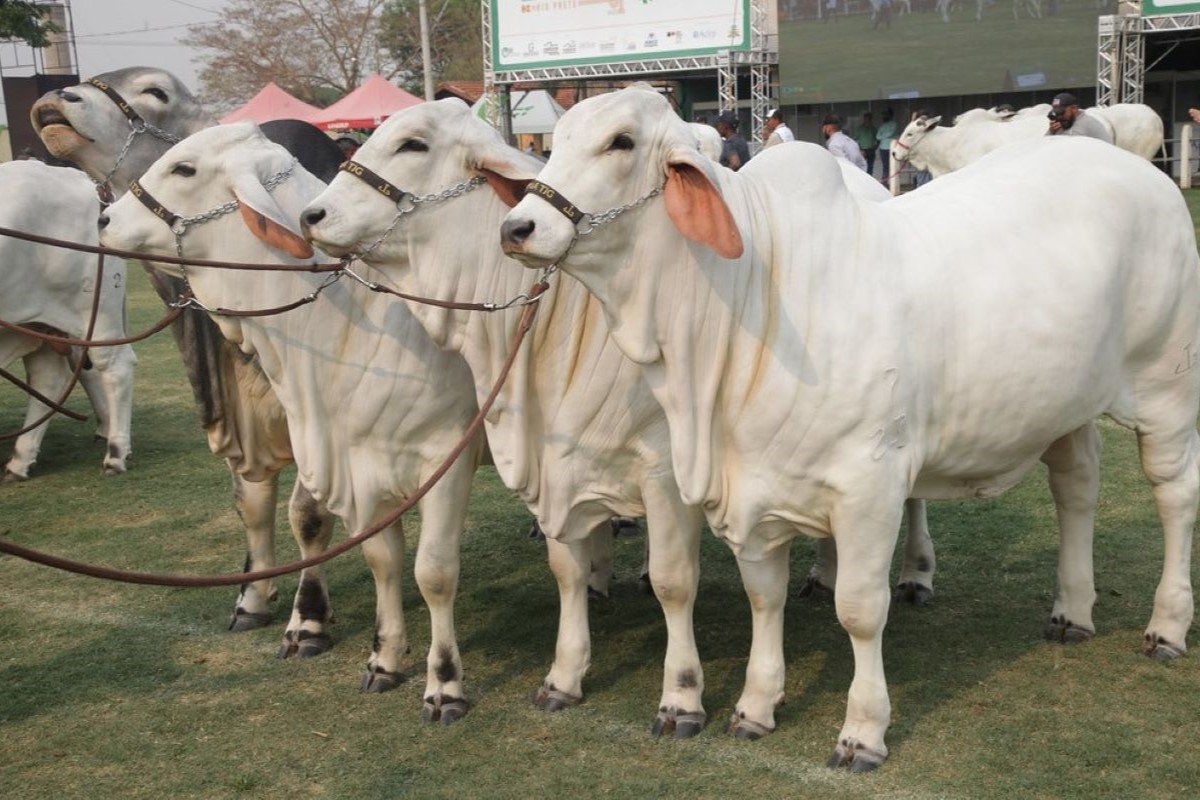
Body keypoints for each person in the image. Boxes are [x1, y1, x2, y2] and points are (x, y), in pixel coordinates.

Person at [1046, 92, 1113, 144]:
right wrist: (1051, 132)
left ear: (1074, 108)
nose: (1059, 117)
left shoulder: (1090, 123)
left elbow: (1108, 148)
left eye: (1062, 112)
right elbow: (1045, 146)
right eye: (1057, 113)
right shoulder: (1059, 125)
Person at [876, 107, 898, 184]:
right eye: (883, 115)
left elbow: (890, 133)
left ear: (890, 115)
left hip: (891, 148)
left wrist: (883, 136)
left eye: (886, 114)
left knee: (892, 166)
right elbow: (877, 136)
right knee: (885, 166)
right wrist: (885, 136)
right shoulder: (882, 125)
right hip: (882, 148)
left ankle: (892, 183)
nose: (884, 116)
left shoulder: (894, 124)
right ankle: (885, 183)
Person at [854, 111, 878, 176]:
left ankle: (870, 181)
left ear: (871, 120)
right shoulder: (860, 129)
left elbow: (878, 138)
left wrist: (876, 147)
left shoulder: (873, 129)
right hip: (862, 151)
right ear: (864, 119)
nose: (867, 120)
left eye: (869, 119)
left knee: (870, 167)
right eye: (866, 119)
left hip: (871, 150)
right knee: (862, 166)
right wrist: (860, 149)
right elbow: (855, 140)